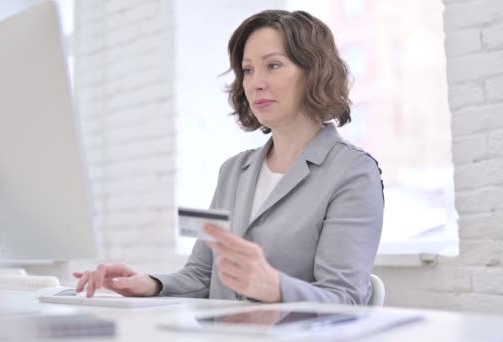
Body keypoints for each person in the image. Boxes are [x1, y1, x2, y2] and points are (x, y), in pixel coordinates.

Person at [74, 9, 384, 305]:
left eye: (273, 65)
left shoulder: (352, 172)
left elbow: (345, 298)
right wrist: (150, 283)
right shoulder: (234, 171)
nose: (255, 82)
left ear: (314, 73)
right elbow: (202, 274)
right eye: (248, 70)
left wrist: (274, 287)